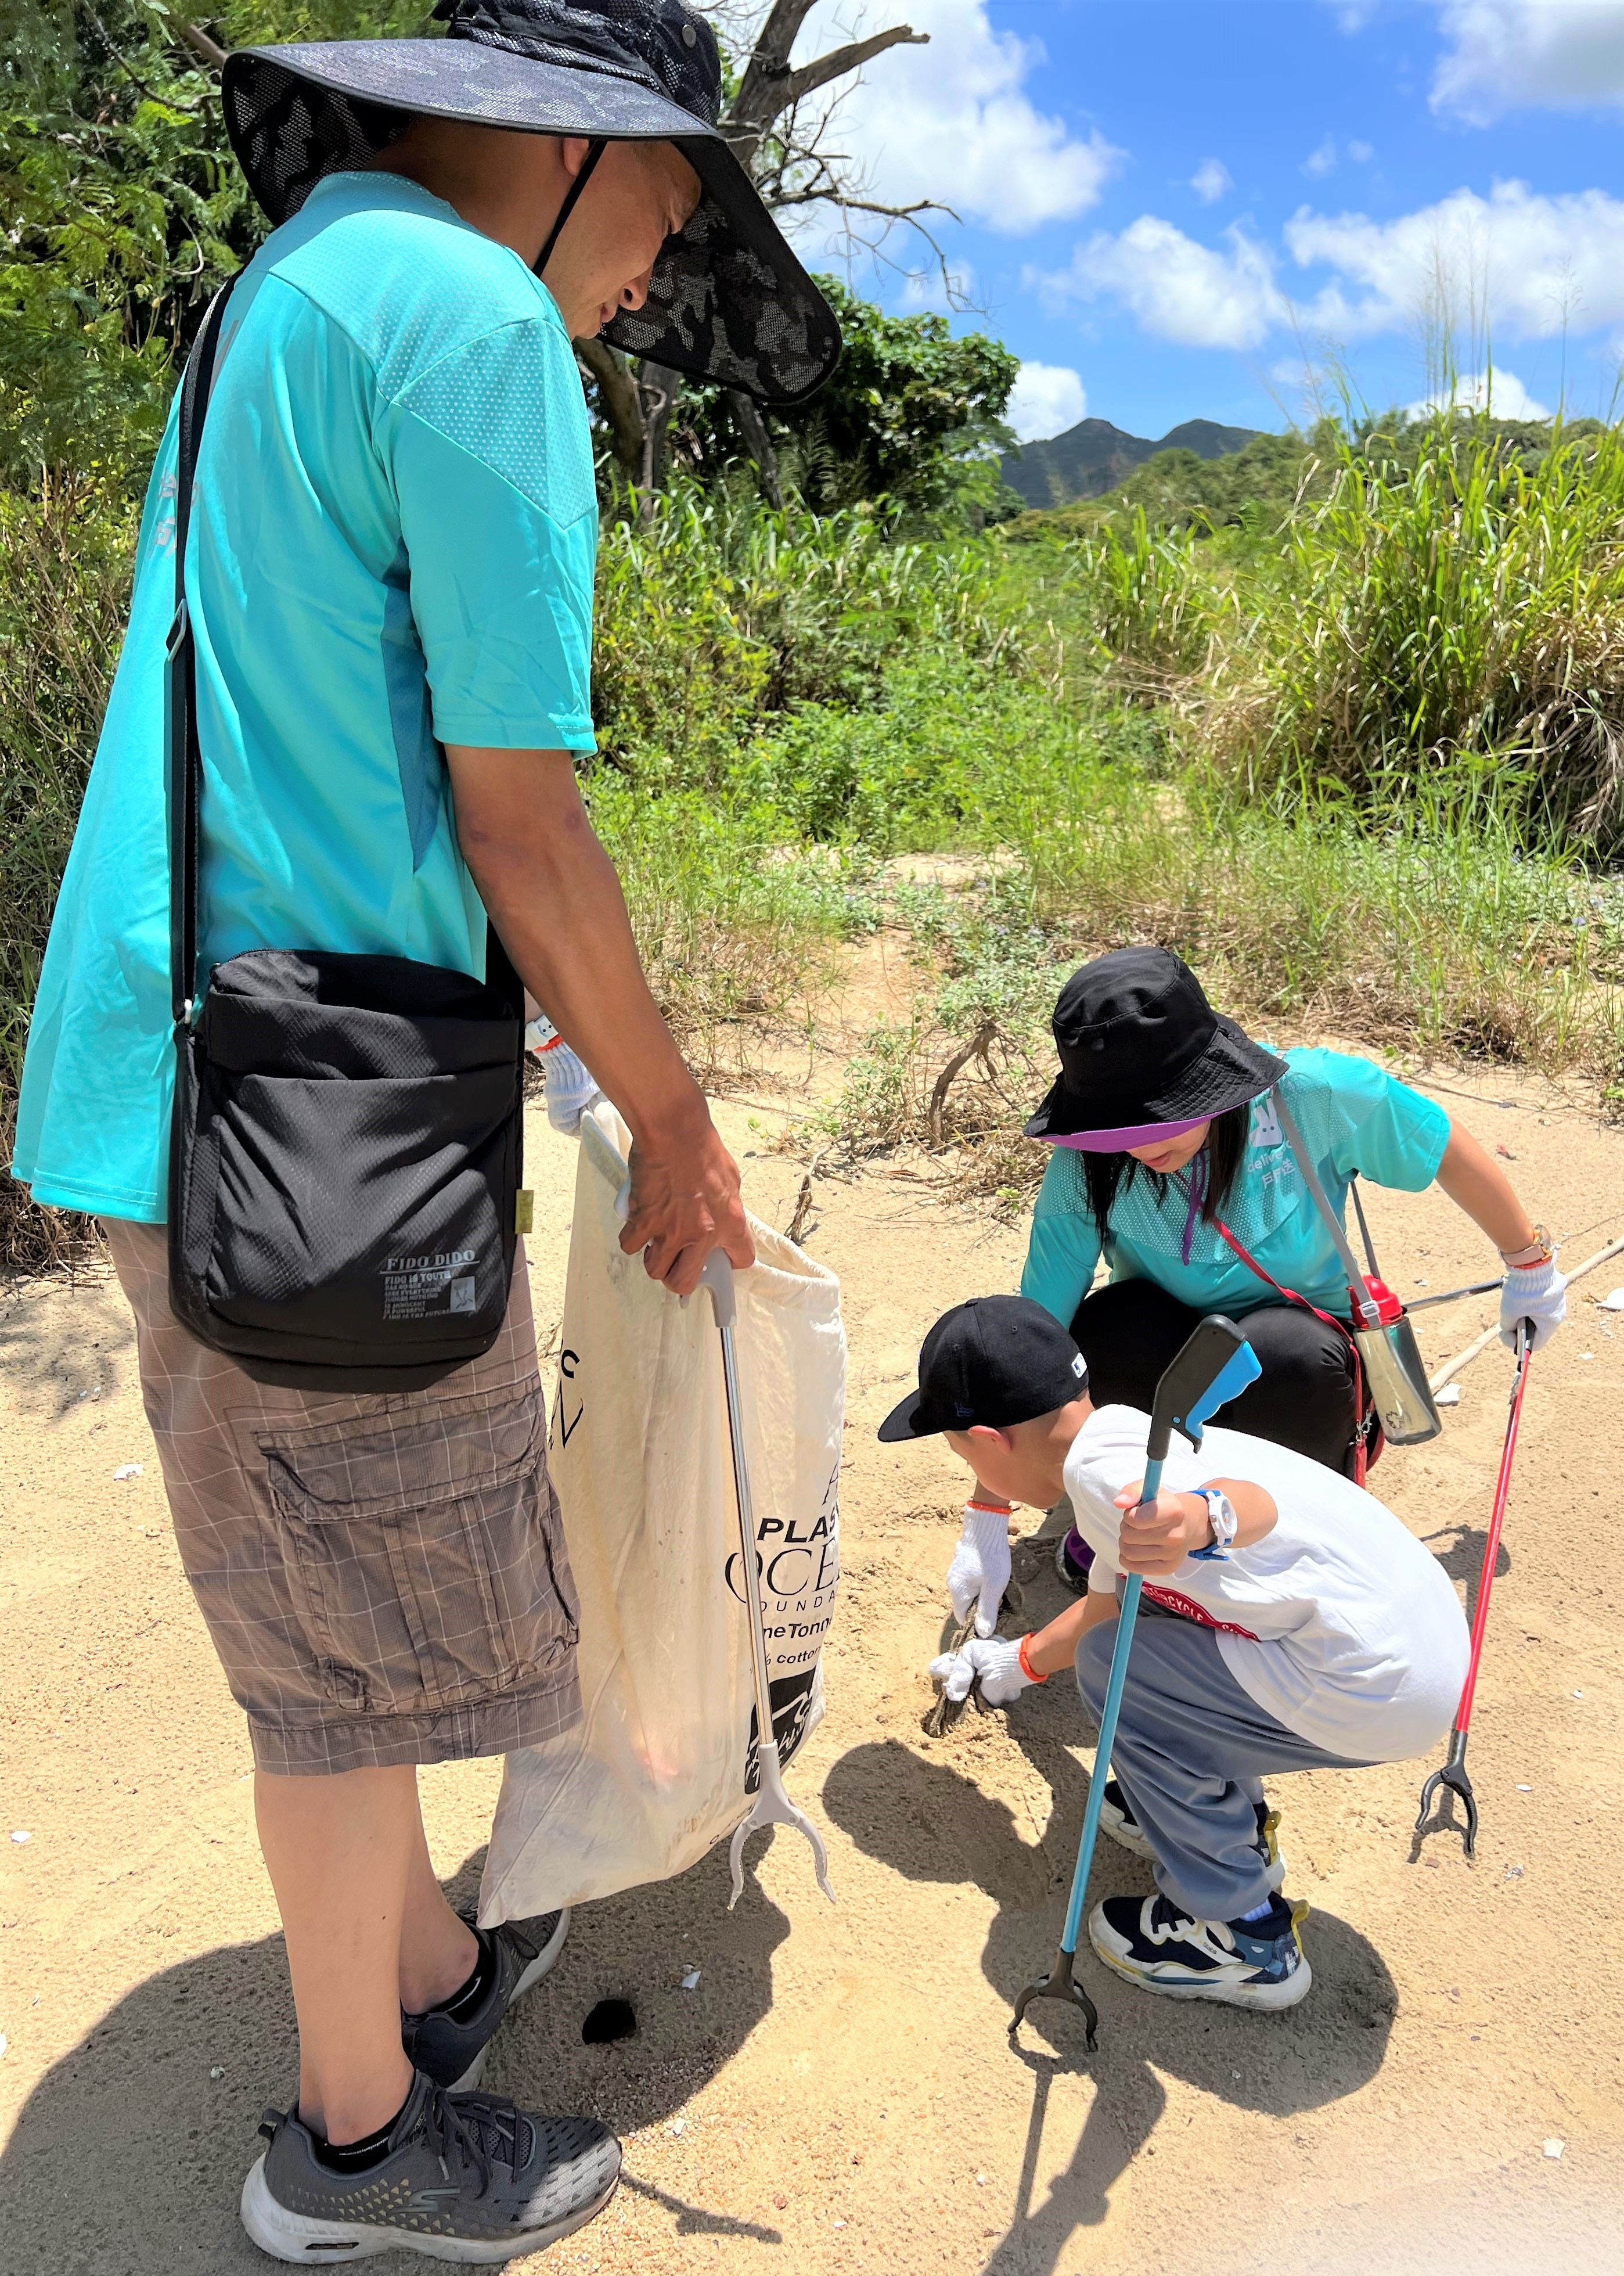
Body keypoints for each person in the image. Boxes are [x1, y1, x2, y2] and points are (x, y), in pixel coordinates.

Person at [10, 1, 840, 2260]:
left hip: (178, 1069)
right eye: (672, 200)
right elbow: (519, 812)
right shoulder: (478, 321)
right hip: (310, 1123)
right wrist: (667, 1110)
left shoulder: (299, 276)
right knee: (350, 1657)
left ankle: (436, 1975)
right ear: (559, 149)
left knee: (329, 1588)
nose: (659, 270)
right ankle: (353, 2146)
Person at [941, 945, 1565, 1631]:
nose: (1142, 1144)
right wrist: (987, 1509)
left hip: (1296, 1353)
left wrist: (1528, 1265)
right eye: (1120, 1126)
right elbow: (1038, 1336)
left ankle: (1274, 1531)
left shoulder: (1315, 1095)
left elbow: (1441, 1146)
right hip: (1168, 1348)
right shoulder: (1086, 1163)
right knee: (1109, 1326)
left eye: (1164, 1115)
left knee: (1286, 1351)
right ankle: (1127, 1514)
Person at [884, 1298, 1470, 2010]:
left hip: (1376, 1687)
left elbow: (1247, 1503)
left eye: (960, 1454)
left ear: (984, 1439)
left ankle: (1243, 1933)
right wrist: (1018, 1663)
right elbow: (1110, 1598)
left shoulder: (1107, 1483)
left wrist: (1202, 1517)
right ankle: (1198, 1808)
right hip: (1420, 1638)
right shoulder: (1121, 1435)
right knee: (1128, 1638)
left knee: (1116, 1664)